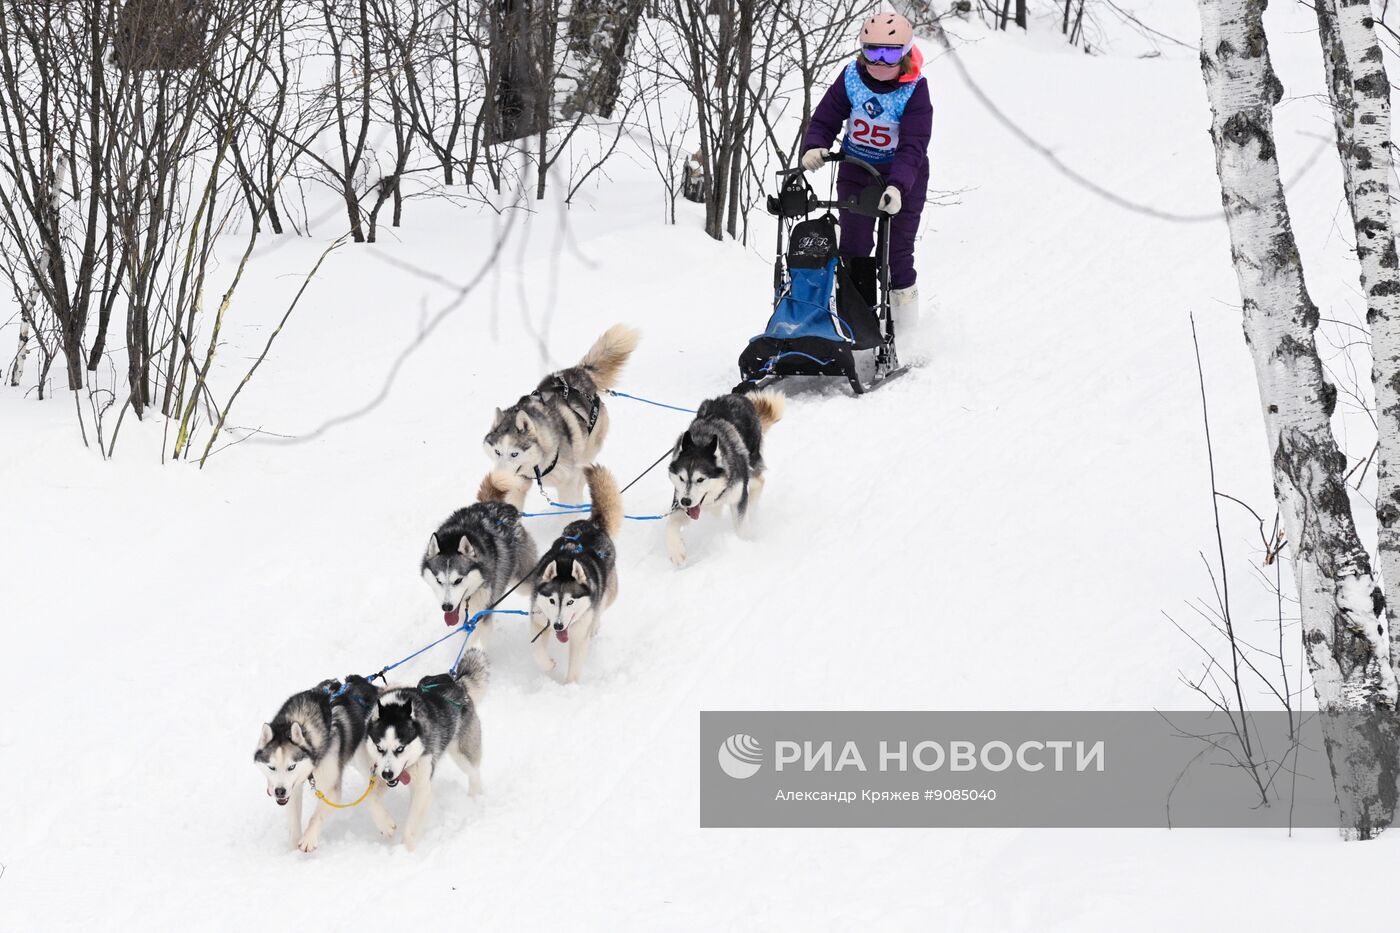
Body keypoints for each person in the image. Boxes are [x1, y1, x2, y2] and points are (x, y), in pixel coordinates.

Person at [799, 11, 930, 337]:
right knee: (854, 247)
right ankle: (856, 328)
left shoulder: (915, 89)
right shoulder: (851, 79)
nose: (881, 60)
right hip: (857, 171)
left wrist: (898, 186)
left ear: (905, 52)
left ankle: (907, 334)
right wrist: (815, 145)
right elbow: (826, 118)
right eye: (873, 51)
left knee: (897, 253)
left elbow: (914, 145)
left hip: (903, 179)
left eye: (890, 53)